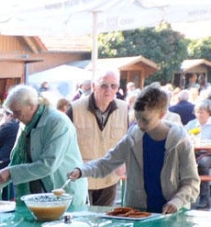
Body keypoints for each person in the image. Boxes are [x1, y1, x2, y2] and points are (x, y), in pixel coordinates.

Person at [69, 85, 199, 214]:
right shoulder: (132, 137)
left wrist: (177, 202)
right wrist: (81, 171)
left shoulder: (181, 142)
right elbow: (107, 163)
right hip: (137, 213)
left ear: (162, 115)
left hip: (173, 216)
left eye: (145, 120)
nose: (140, 125)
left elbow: (191, 183)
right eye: (137, 118)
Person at [0, 84, 87, 206]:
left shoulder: (58, 122)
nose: (14, 117)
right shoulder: (26, 123)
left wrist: (11, 172)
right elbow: (19, 161)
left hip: (63, 192)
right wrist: (2, 177)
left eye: (17, 112)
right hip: (38, 194)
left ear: (32, 106)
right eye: (12, 112)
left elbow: (48, 165)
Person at [67, 69, 128, 207]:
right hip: (81, 178)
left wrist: (124, 162)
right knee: (81, 220)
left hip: (109, 179)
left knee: (103, 222)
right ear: (94, 86)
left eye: (114, 86)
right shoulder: (75, 109)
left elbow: (127, 141)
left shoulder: (124, 109)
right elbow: (63, 144)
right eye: (104, 85)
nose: (109, 90)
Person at [186, 97, 211, 208]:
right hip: (193, 152)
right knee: (185, 164)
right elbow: (184, 136)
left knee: (203, 164)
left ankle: (204, 197)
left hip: (208, 153)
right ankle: (187, 196)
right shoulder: (192, 124)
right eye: (197, 112)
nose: (199, 114)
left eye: (202, 112)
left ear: (208, 113)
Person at [0, 108, 19, 176]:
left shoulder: (7, 126)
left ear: (10, 115)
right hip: (15, 163)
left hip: (2, 163)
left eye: (4, 115)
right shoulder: (21, 125)